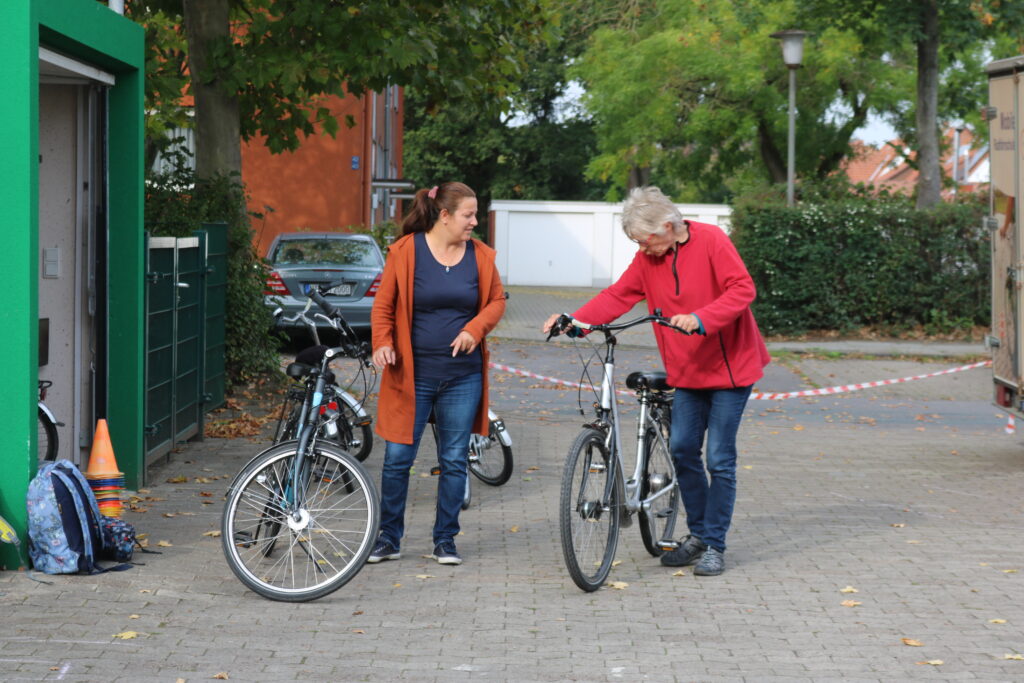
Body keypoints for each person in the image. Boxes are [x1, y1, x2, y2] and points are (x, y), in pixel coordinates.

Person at [542, 186, 769, 576]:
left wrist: (702, 318)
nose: (642, 249)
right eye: (636, 242)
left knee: (719, 457)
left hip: (730, 369)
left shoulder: (712, 241)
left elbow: (742, 289)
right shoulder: (648, 259)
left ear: (668, 226)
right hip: (688, 370)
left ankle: (714, 543)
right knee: (682, 449)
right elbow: (619, 295)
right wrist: (575, 323)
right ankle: (697, 535)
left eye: (644, 240)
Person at [368, 182, 506, 566]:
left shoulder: (480, 256)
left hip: (462, 377)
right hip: (410, 376)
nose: (474, 222)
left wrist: (473, 330)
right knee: (397, 458)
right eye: (468, 215)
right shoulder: (406, 251)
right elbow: (383, 306)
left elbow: (497, 301)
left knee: (454, 460)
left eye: (475, 214)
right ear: (444, 216)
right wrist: (381, 342)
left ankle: (445, 540)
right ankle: (388, 538)